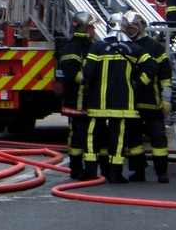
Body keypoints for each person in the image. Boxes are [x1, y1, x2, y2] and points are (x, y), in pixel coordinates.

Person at [81, 12, 143, 183]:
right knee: (118, 138)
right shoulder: (135, 49)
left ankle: (91, 172)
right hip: (123, 103)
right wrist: (137, 83)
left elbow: (87, 72)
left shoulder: (98, 46)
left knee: (92, 136)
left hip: (98, 102)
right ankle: (115, 174)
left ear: (109, 25)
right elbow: (151, 68)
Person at [124, 11, 172, 183]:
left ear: (140, 27)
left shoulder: (154, 47)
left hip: (152, 101)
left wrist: (167, 97)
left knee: (158, 138)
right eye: (128, 28)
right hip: (131, 102)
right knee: (134, 140)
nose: (130, 31)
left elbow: (165, 72)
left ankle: (161, 172)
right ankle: (138, 171)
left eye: (133, 28)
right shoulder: (123, 45)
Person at [55, 11, 96, 179]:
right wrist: (86, 81)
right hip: (77, 100)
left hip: (86, 100)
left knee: (87, 136)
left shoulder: (87, 45)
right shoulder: (74, 47)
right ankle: (77, 168)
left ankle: (85, 169)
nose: (94, 30)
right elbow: (71, 70)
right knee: (79, 136)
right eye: (92, 26)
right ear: (85, 28)